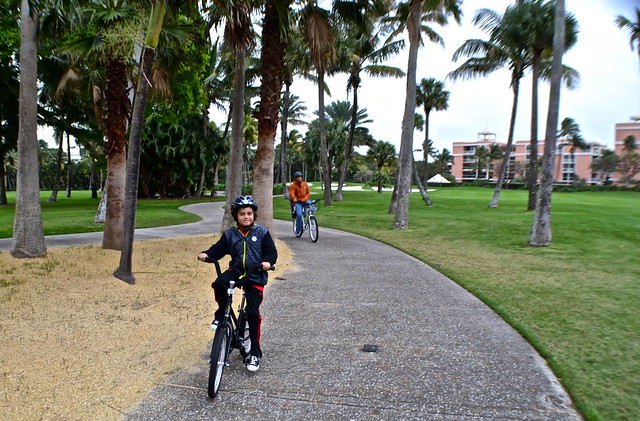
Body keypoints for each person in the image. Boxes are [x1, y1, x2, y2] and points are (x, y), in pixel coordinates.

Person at [198, 196, 277, 372]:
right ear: (236, 216)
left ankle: (255, 353)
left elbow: (271, 253)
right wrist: (207, 254)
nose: (246, 217)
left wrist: (267, 262)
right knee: (219, 284)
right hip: (236, 270)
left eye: (249, 213)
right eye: (242, 214)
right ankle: (220, 316)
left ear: (254, 215)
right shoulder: (231, 234)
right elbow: (217, 250)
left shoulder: (262, 233)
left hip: (255, 274)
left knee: (253, 313)